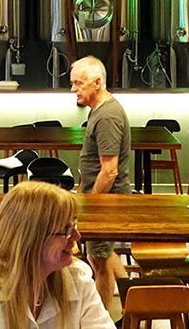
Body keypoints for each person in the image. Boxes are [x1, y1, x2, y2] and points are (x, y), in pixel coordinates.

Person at [0, 181, 114, 329]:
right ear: (31, 238)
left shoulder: (77, 276)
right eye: (65, 230)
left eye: (74, 226)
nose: (76, 237)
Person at [70, 56, 130, 313]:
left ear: (97, 83)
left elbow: (109, 170)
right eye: (72, 83)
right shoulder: (102, 111)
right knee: (105, 252)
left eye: (79, 83)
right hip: (102, 199)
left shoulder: (107, 117)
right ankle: (130, 298)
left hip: (105, 202)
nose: (73, 89)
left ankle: (101, 318)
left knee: (99, 261)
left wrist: (92, 202)